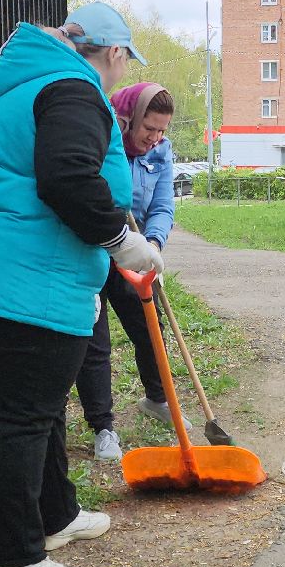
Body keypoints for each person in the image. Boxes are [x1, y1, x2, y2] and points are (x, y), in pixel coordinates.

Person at [0, 1, 161, 567]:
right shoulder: (72, 89)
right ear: (113, 53)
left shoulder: (24, 84)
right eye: (125, 61)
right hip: (28, 270)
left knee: (38, 404)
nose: (121, 72)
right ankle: (15, 557)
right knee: (23, 415)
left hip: (2, 266)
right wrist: (121, 241)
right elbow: (67, 177)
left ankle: (55, 514)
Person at [75, 82, 186, 461]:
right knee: (95, 341)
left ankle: (158, 399)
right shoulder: (102, 140)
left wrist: (152, 244)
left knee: (149, 326)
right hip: (93, 248)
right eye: (148, 128)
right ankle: (102, 427)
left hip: (135, 251)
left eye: (162, 131)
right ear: (128, 119)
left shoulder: (161, 152)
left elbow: (163, 204)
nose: (155, 138)